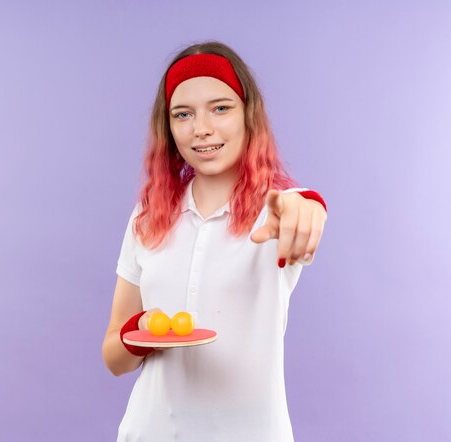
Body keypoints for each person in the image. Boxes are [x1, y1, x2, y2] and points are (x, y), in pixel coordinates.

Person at [101, 40, 328, 441]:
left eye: (220, 108)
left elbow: (303, 209)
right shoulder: (147, 216)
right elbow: (114, 359)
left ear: (248, 116)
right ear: (169, 129)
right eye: (183, 114)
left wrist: (309, 205)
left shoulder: (275, 212)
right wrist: (146, 329)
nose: (201, 127)